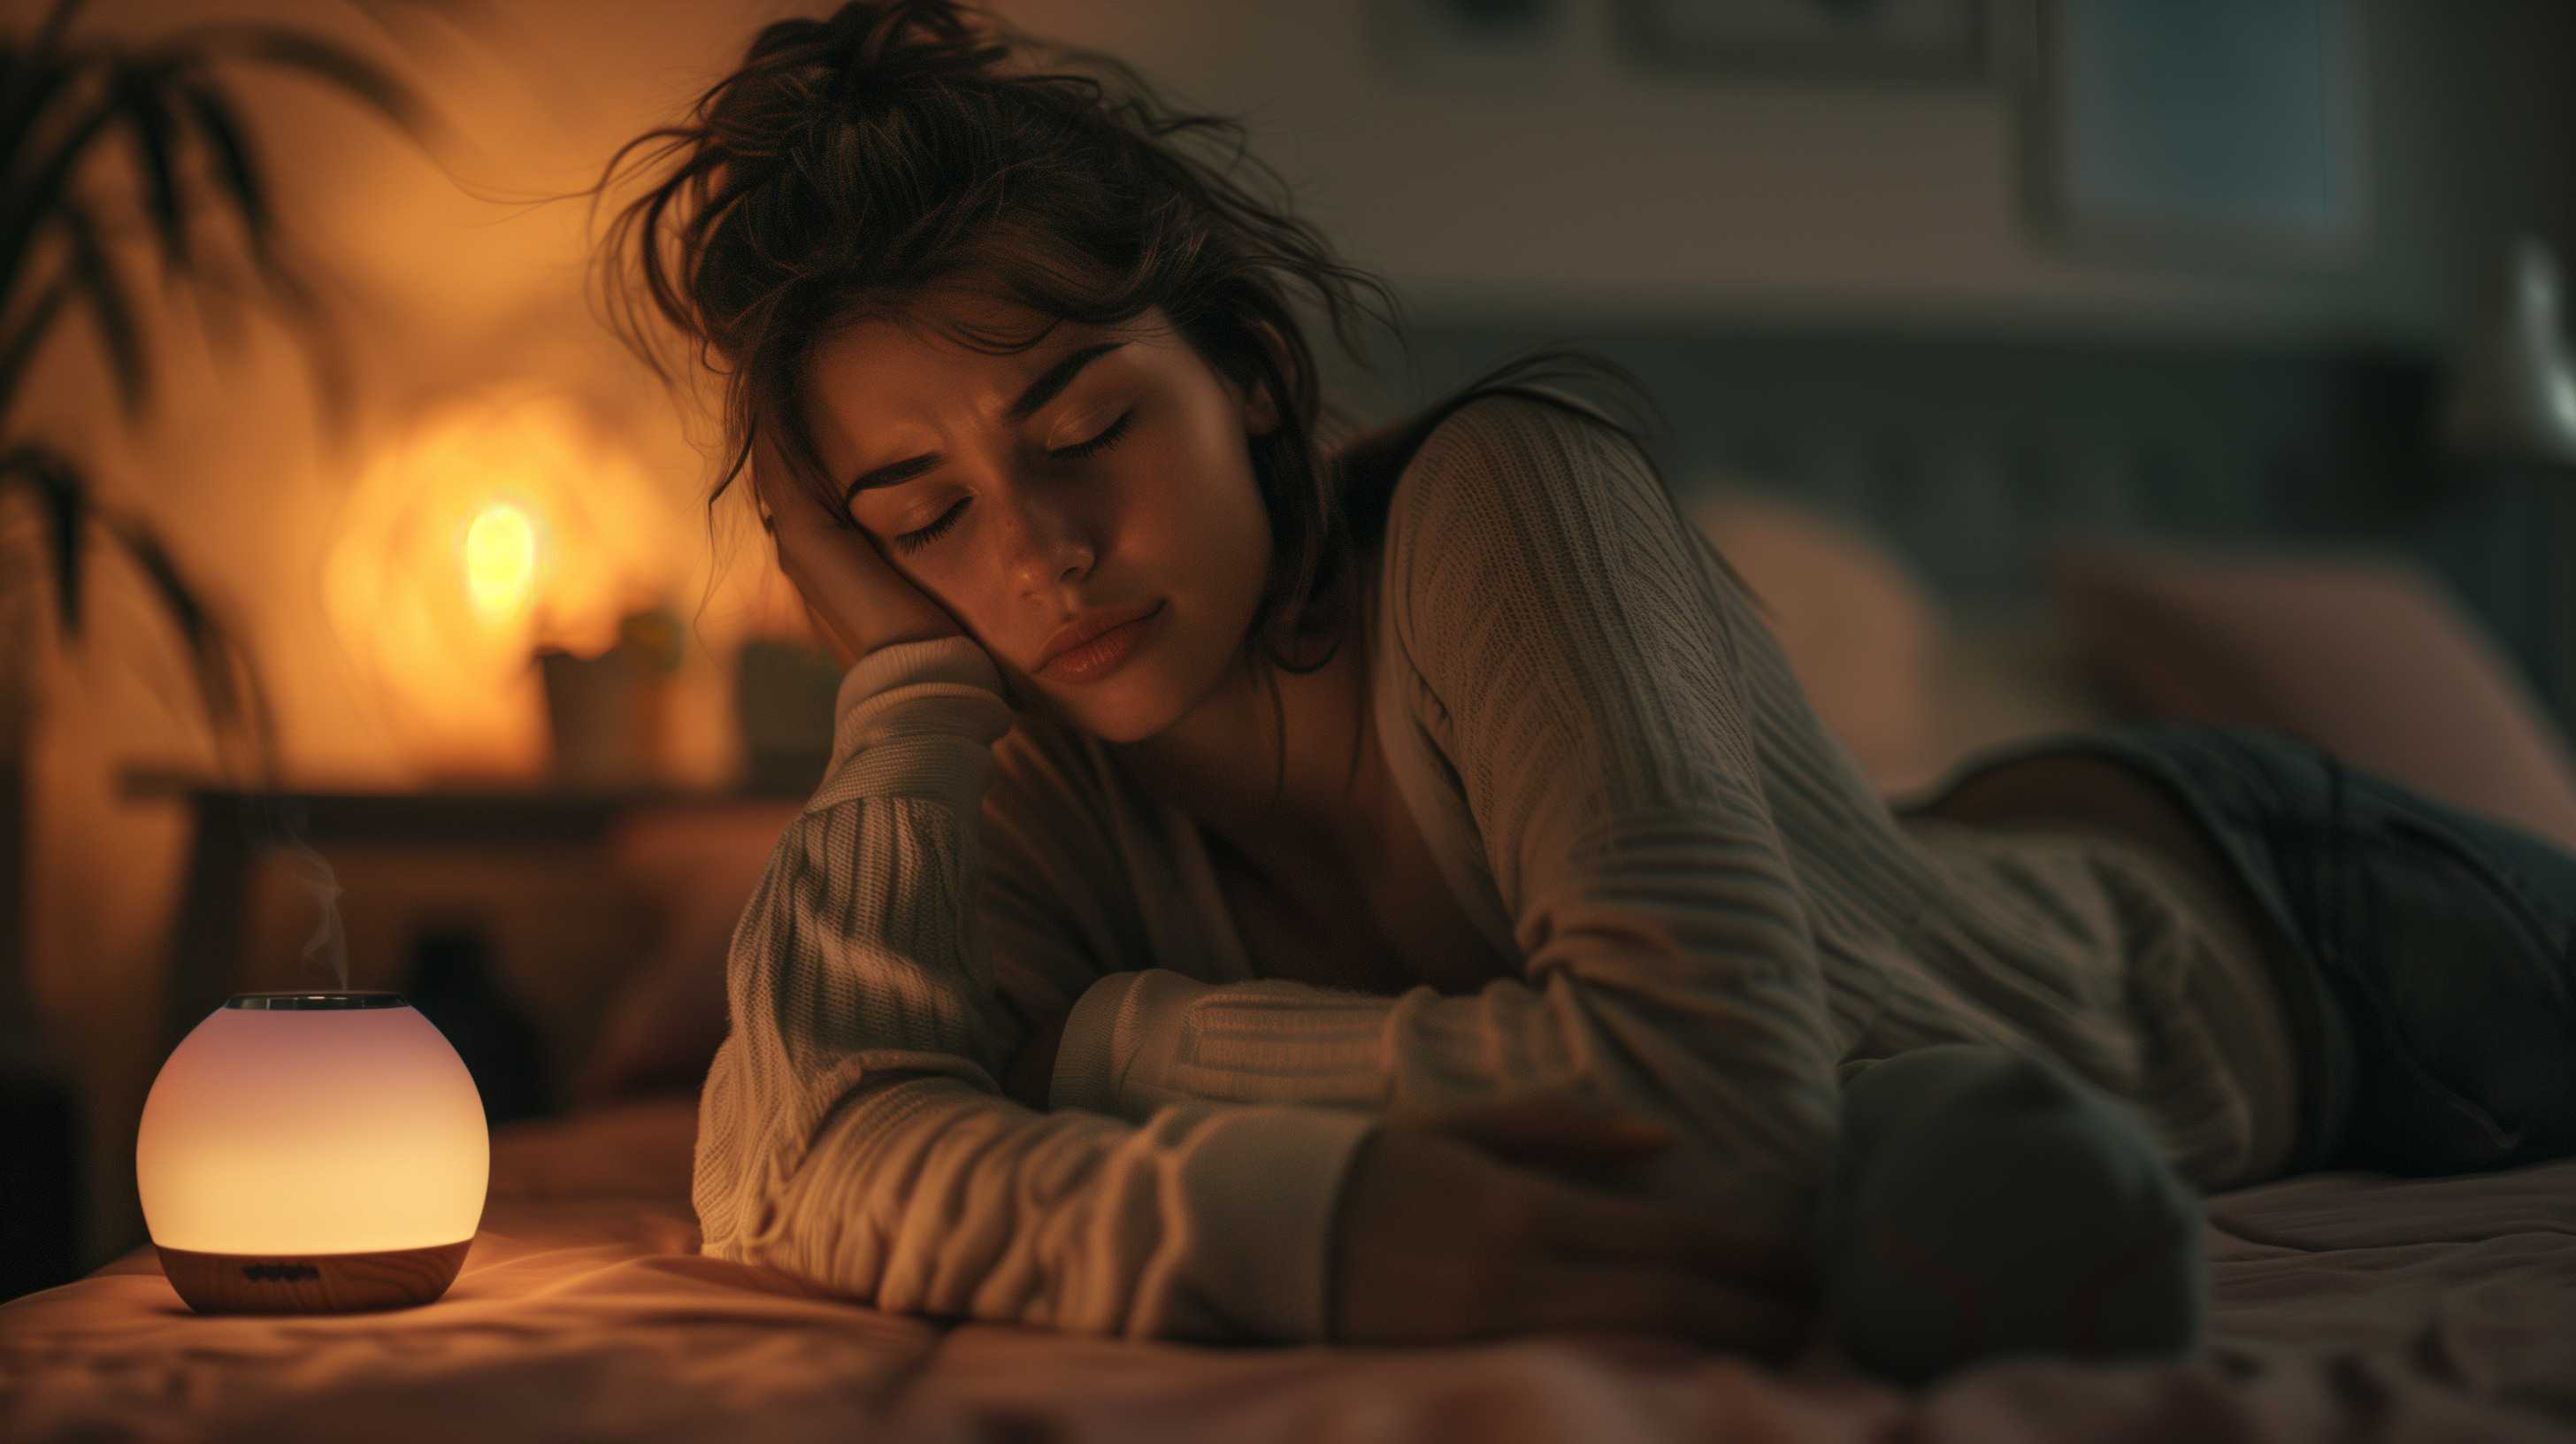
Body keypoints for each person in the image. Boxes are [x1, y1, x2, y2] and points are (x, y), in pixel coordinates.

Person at [585, 0, 2576, 1377]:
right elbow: (783, 1170)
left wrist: (1120, 1049)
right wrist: (909, 692)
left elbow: (1722, 1117)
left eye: (1089, 423)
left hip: (2292, 927)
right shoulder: (1006, 756)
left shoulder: (1498, 499)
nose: (1037, 555)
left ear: (1252, 378)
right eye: (919, 512)